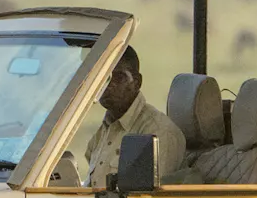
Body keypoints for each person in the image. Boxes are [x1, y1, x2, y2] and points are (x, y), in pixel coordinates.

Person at [79, 46, 186, 187]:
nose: (108, 85)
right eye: (103, 77)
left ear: (137, 82)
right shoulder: (105, 128)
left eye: (118, 77)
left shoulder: (158, 133)